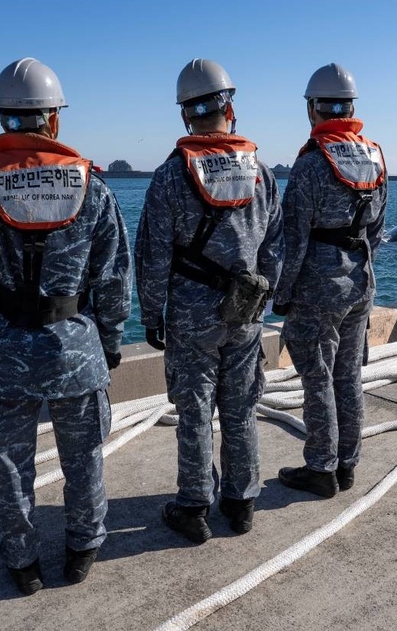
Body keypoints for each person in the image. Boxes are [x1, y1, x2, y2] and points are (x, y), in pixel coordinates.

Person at [0, 57, 131, 595]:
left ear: (5, 119)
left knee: (11, 464)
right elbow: (115, 280)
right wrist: (111, 342)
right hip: (75, 348)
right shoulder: (94, 189)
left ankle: (23, 562)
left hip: (5, 349)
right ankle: (83, 547)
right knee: (83, 456)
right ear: (54, 120)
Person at [135, 58, 283, 543]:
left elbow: (153, 255)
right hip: (245, 312)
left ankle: (194, 505)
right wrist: (264, 295)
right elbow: (273, 248)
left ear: (185, 116)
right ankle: (241, 503)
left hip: (190, 315)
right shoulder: (261, 172)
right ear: (230, 106)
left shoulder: (170, 176)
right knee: (240, 407)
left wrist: (151, 315)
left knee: (195, 409)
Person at [272, 63, 387, 499]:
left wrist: (281, 296)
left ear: (312, 109)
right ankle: (348, 464)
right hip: (361, 281)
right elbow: (376, 231)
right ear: (352, 107)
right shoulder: (375, 156)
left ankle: (321, 466)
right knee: (348, 376)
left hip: (319, 287)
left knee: (318, 377)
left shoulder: (311, 164)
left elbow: (293, 238)